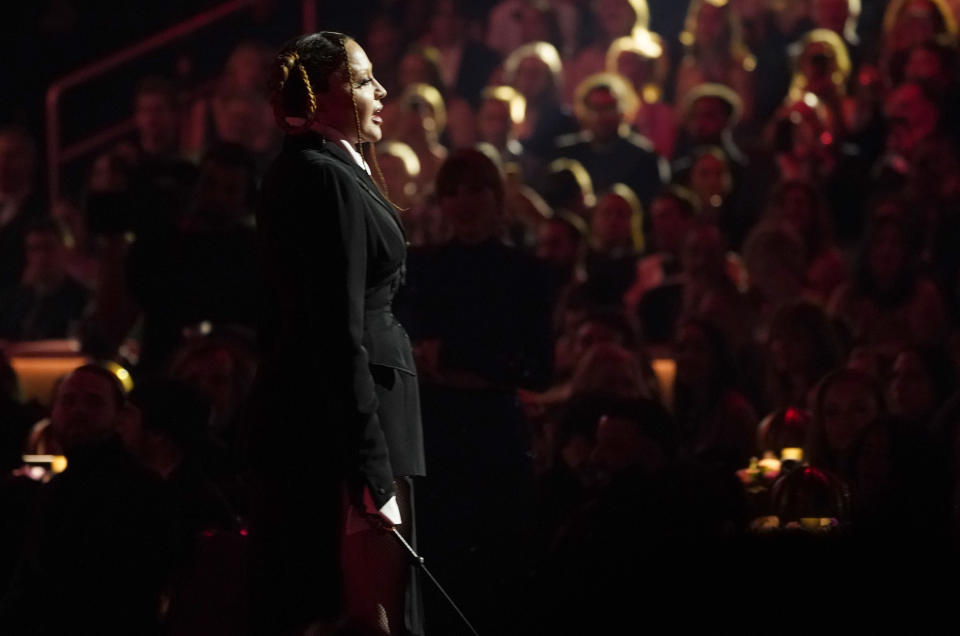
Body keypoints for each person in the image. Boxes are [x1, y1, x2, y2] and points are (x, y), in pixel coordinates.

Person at [251, 32, 425, 635]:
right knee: (369, 621)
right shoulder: (320, 177)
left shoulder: (324, 170)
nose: (379, 91)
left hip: (363, 419)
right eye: (361, 79)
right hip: (357, 427)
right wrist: (371, 470)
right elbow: (333, 329)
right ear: (321, 94)